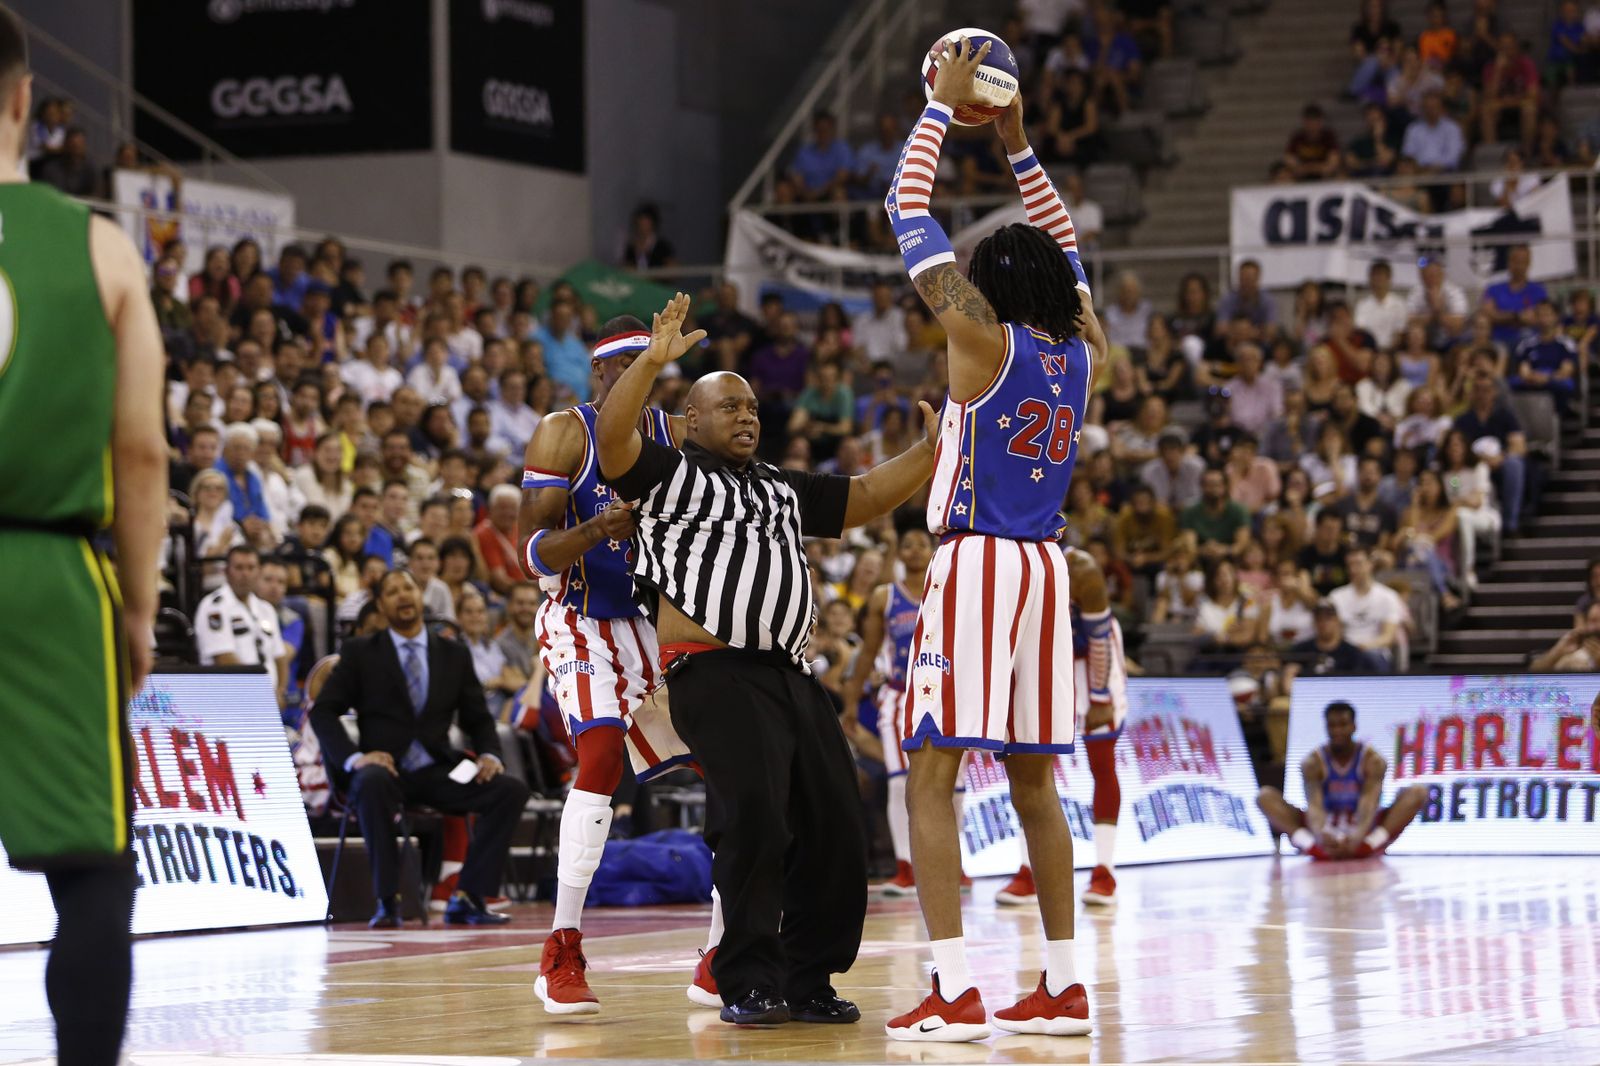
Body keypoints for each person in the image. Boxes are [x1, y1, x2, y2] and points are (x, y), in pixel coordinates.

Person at [596, 294, 937, 1026]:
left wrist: (933, 452)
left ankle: (808, 975)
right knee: (753, 815)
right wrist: (653, 363)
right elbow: (612, 437)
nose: (747, 416)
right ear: (692, 420)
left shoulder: (781, 488)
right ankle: (742, 976)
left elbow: (868, 495)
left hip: (789, 673)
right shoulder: (665, 476)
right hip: (713, 671)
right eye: (729, 408)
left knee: (839, 823)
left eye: (751, 407)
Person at [883, 51, 1102, 1040]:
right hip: (1047, 568)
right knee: (1032, 781)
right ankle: (1060, 983)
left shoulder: (982, 339)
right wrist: (1016, 145)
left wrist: (937, 107)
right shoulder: (1079, 351)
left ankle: (952, 984)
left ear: (988, 288)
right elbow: (1072, 256)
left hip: (977, 560)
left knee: (930, 769)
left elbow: (905, 208)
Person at [0, 14, 167, 1062]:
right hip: (51, 570)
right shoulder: (98, 245)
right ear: (23, 100)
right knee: (93, 874)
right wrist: (141, 606)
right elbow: (142, 451)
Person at [518, 316, 707, 1015]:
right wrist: (594, 529)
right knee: (598, 757)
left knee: (729, 767)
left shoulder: (676, 437)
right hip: (579, 619)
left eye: (650, 369)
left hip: (652, 626)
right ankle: (561, 946)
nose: (639, 379)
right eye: (628, 367)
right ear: (600, 374)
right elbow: (529, 556)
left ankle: (724, 949)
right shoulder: (563, 433)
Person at [309, 569, 531, 928]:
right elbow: (323, 711)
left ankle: (468, 895)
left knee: (510, 790)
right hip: (386, 769)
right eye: (392, 591)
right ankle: (387, 901)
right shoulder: (361, 652)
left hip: (437, 770)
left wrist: (490, 754)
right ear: (381, 605)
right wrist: (353, 758)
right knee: (371, 782)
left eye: (408, 587)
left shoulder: (453, 653)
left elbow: (478, 718)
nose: (402, 596)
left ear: (420, 595)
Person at [996, 548, 1129, 910]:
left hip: (1091, 661)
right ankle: (1028, 870)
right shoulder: (1003, 561)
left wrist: (1100, 697)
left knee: (1101, 761)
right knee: (1030, 762)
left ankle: (1104, 871)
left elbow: (1099, 635)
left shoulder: (1081, 567)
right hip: (1044, 655)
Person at [840, 523, 939, 896]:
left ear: (932, 550)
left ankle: (954, 867)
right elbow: (867, 653)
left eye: (920, 544)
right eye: (908, 545)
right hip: (899, 695)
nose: (914, 550)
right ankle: (905, 866)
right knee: (900, 781)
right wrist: (851, 702)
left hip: (943, 694)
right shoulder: (885, 596)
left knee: (953, 787)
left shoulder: (944, 591)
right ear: (899, 554)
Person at [1257, 700, 1425, 859]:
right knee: (1265, 796)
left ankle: (1371, 844)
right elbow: (1314, 806)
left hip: (1364, 827)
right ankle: (1310, 845)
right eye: (1332, 726)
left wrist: (1358, 837)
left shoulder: (1373, 761)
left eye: (1343, 725)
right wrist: (1321, 836)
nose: (1337, 731)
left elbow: (1369, 804)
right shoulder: (1313, 762)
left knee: (1418, 792)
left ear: (1354, 726)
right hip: (1324, 825)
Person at [196, 545, 293, 706]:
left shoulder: (265, 609)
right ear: (226, 571)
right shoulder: (214, 607)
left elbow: (280, 657)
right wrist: (260, 694)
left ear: (258, 572)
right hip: (229, 699)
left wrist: (281, 691)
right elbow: (224, 659)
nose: (245, 574)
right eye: (239, 568)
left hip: (267, 701)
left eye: (250, 568)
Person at [1326, 546, 1404, 668]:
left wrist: (1364, 647)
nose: (1353, 570)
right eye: (1350, 565)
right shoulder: (1336, 597)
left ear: (1370, 564)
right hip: (1345, 653)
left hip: (1376, 652)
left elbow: (1388, 637)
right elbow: (1334, 634)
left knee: (1367, 658)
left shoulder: (1388, 596)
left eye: (1358, 564)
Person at [1285, 600, 1387, 678]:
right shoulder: (1301, 650)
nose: (1323, 623)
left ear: (1337, 621)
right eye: (1319, 619)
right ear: (1314, 622)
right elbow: (1287, 676)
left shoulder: (1352, 653)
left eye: (1328, 619)